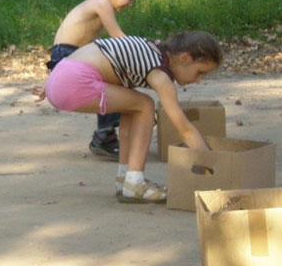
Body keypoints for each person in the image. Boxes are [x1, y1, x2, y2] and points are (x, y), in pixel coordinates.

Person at [45, 32, 222, 203]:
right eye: (200, 72)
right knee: (145, 105)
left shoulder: (152, 51)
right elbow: (185, 129)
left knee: (133, 106)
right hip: (73, 82)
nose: (199, 80)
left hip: (59, 77)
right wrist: (214, 166)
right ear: (185, 58)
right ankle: (135, 183)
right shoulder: (160, 74)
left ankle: (125, 178)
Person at [46, 0, 145, 160]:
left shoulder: (97, 5)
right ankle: (105, 135)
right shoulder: (101, 4)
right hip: (67, 53)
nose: (131, 3)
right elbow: (118, 38)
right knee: (115, 81)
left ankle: (112, 131)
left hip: (67, 55)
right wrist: (146, 47)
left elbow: (100, 46)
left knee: (115, 75)